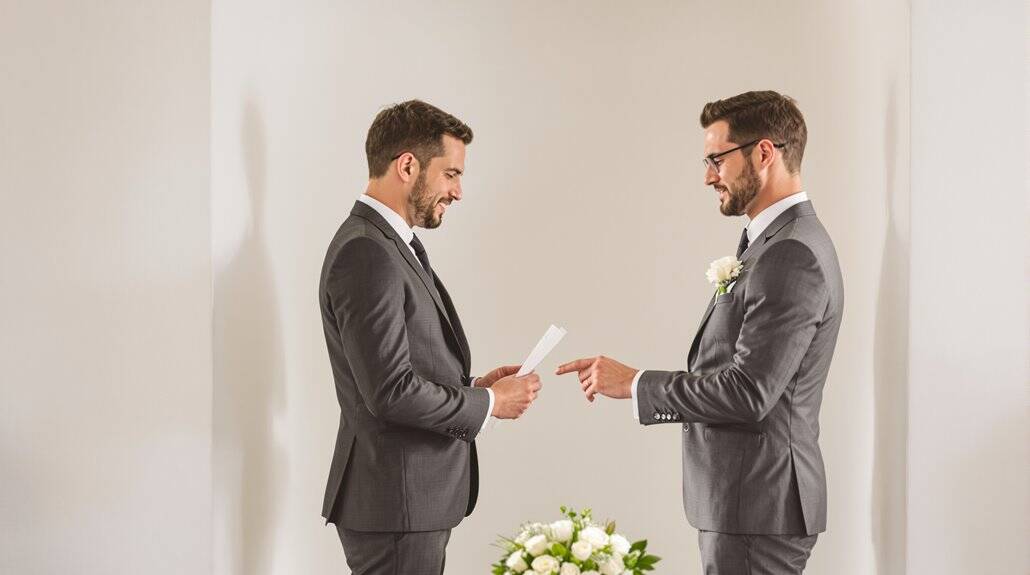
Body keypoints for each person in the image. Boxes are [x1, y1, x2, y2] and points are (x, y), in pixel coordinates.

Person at [557, 91, 844, 574]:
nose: (708, 175)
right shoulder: (773, 242)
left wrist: (634, 383)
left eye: (717, 159)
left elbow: (749, 392)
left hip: (759, 505)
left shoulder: (791, 252)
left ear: (764, 153)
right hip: (748, 504)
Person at [318, 99, 541, 575]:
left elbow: (402, 369)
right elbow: (389, 392)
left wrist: (477, 387)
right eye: (451, 174)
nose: (458, 191)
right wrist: (488, 405)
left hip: (407, 502)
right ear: (407, 166)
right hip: (395, 502)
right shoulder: (366, 251)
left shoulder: (390, 244)